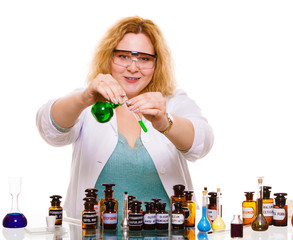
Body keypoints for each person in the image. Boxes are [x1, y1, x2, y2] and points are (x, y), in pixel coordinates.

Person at [36, 16, 214, 221]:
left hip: (167, 233)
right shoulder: (87, 102)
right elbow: (48, 128)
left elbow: (202, 142)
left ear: (157, 63)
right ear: (108, 58)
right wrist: (84, 98)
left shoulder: (172, 101)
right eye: (123, 56)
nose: (133, 67)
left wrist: (164, 122)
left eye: (145, 58)